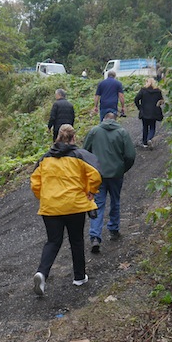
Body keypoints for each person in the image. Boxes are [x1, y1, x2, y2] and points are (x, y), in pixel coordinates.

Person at [31, 124, 101, 295]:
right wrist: (92, 190)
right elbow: (96, 174)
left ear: (57, 138)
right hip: (74, 205)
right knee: (76, 240)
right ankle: (79, 277)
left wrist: (44, 197)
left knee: (53, 241)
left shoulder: (45, 159)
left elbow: (35, 182)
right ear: (73, 138)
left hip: (50, 207)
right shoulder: (79, 156)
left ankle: (42, 273)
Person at [83, 110, 136, 252]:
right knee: (115, 201)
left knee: (98, 204)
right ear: (115, 120)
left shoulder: (94, 131)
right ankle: (113, 229)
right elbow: (130, 155)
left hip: (98, 175)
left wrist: (90, 170)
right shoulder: (122, 132)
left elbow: (84, 152)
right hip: (116, 174)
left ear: (103, 119)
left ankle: (95, 236)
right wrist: (122, 168)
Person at [133, 77, 164, 148]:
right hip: (154, 111)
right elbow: (161, 101)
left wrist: (139, 107)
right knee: (152, 127)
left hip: (144, 111)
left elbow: (136, 99)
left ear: (147, 82)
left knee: (145, 127)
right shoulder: (158, 91)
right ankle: (150, 139)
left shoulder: (143, 90)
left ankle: (145, 143)